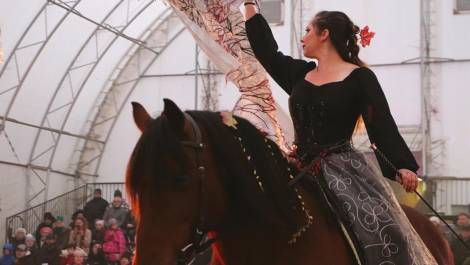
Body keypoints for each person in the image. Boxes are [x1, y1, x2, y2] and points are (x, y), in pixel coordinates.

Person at [244, 3, 437, 264]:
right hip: (296, 163)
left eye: (308, 30)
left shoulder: (360, 78)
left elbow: (381, 124)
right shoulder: (300, 74)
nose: (303, 37)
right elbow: (267, 52)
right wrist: (250, 6)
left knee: (384, 231)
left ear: (324, 34)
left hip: (343, 170)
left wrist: (403, 166)